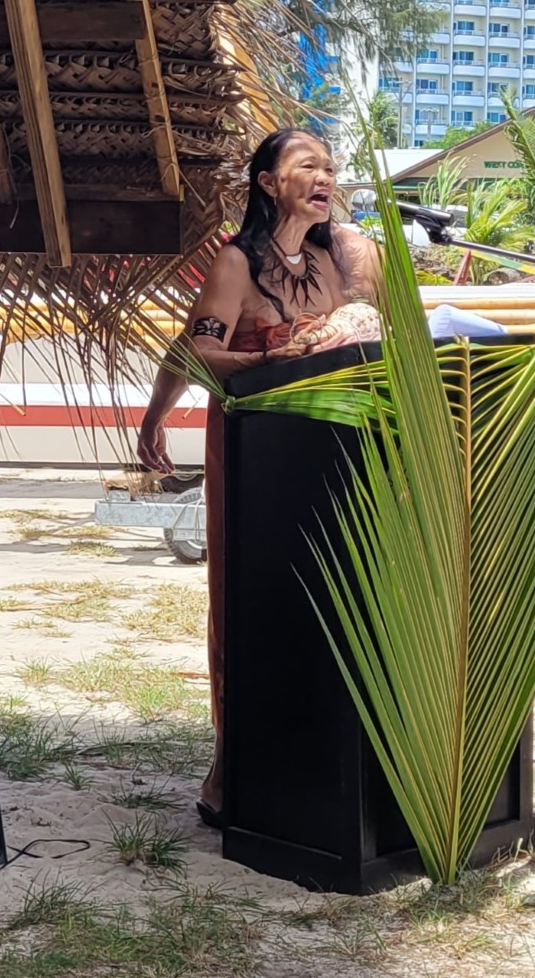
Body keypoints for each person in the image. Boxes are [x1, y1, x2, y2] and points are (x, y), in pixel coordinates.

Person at [137, 128, 381, 828]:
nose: (324, 175)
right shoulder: (236, 262)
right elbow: (201, 350)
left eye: (331, 167)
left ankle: (326, 765)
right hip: (255, 450)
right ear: (269, 183)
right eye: (307, 164)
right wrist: (156, 419)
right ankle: (233, 767)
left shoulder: (343, 260)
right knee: (251, 600)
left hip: (338, 447)